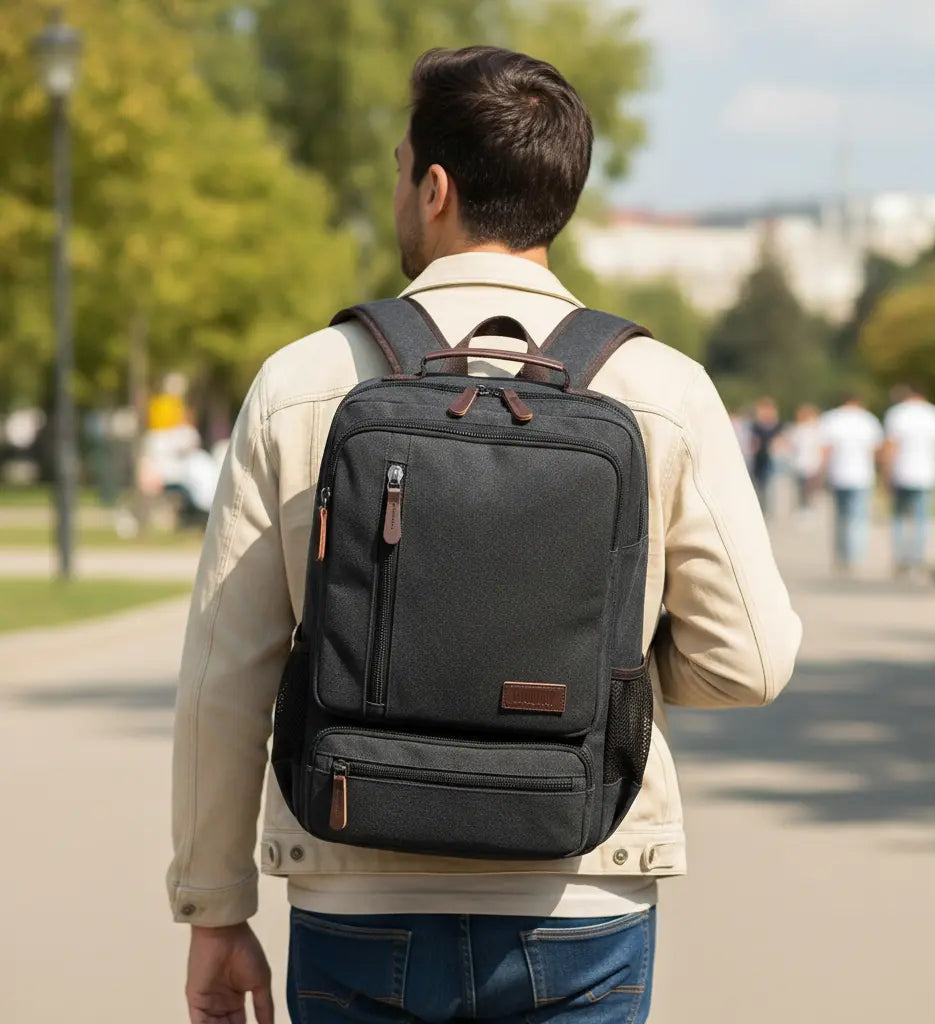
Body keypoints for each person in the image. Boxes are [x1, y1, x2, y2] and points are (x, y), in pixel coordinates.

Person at [168, 47, 802, 1024]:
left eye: (397, 167)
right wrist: (595, 666)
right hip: (581, 890)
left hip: (355, 888)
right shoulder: (659, 388)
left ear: (434, 186)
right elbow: (748, 660)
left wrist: (215, 909)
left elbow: (228, 673)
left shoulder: (300, 378)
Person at [883, 385, 935, 575]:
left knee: (900, 518)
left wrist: (886, 473)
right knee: (922, 519)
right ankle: (917, 558)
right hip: (927, 474)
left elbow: (890, 446)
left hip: (902, 473)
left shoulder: (897, 414)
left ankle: (900, 557)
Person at [820, 395, 884, 572]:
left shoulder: (832, 419)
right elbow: (877, 450)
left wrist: (822, 473)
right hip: (862, 476)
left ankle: (841, 555)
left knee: (841, 517)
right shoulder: (868, 420)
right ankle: (855, 556)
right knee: (859, 518)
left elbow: (825, 450)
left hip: (838, 475)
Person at [785, 404, 824, 518]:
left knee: (810, 488)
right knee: (801, 487)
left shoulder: (816, 431)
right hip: (799, 463)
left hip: (812, 463)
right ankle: (802, 508)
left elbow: (820, 448)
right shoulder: (797, 430)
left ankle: (808, 508)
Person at [748, 396, 782, 516]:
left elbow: (778, 441)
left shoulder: (775, 425)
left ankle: (766, 509)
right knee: (759, 485)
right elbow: (753, 442)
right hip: (758, 458)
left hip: (770, 458)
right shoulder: (756, 425)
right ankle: (761, 508)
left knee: (768, 486)